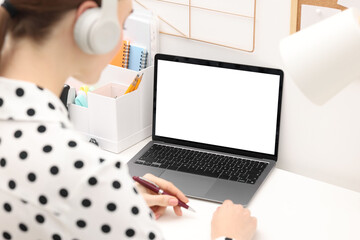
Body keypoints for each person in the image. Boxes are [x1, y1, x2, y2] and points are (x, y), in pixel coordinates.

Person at [0, 0, 257, 239]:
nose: (126, 38)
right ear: (88, 23)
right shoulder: (87, 174)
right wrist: (228, 236)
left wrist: (115, 201)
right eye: (121, 26)